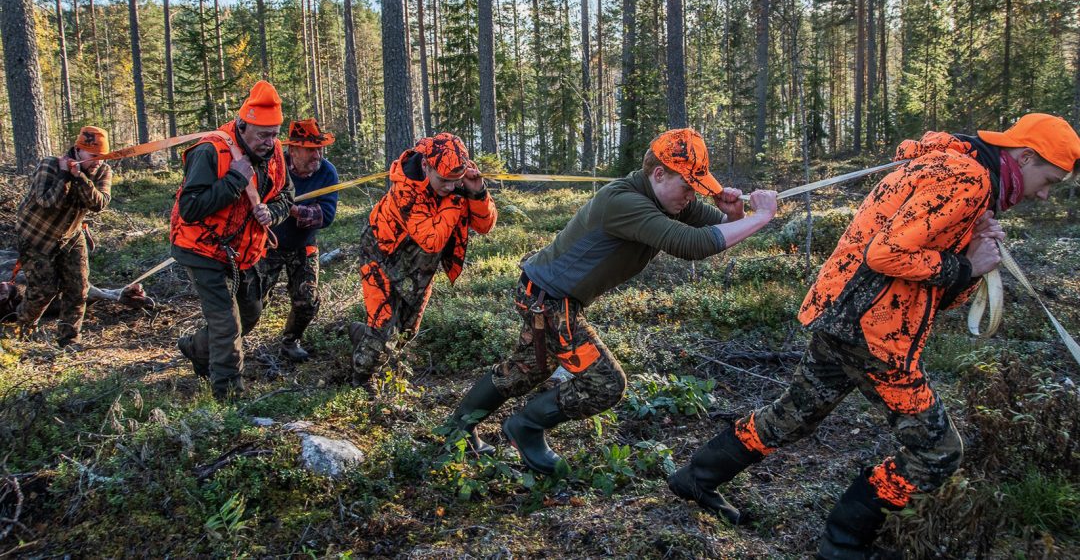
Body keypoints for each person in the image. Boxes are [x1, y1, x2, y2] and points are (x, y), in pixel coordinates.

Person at [667, 113, 1080, 559]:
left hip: (841, 315)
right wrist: (965, 266)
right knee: (938, 452)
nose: (1044, 194)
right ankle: (844, 543)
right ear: (1024, 156)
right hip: (873, 332)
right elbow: (886, 254)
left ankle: (696, 478)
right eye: (1049, 181)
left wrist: (971, 262)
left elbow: (932, 284)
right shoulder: (968, 178)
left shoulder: (957, 170)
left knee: (792, 416)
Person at [445, 128, 779, 474]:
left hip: (547, 295)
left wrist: (736, 214)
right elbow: (692, 245)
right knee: (605, 383)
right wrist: (761, 217)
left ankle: (458, 428)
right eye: (687, 186)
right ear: (659, 174)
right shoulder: (624, 202)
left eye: (697, 188)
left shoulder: (671, 199)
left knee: (527, 368)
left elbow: (719, 229)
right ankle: (525, 427)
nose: (692, 196)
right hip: (548, 300)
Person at [172, 80, 295, 399]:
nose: (270, 142)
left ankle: (197, 349)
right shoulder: (210, 150)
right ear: (242, 125)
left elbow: (286, 194)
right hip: (202, 248)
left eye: (275, 134)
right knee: (226, 322)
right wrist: (235, 179)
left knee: (250, 313)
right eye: (263, 135)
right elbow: (190, 208)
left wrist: (273, 213)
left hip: (243, 250)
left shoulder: (274, 151)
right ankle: (229, 395)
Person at [350, 133, 498, 388]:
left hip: (420, 263)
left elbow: (485, 226)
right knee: (383, 328)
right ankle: (361, 381)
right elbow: (432, 240)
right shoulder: (406, 189)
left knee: (407, 331)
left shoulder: (457, 177)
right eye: (444, 180)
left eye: (455, 180)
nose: (450, 186)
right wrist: (456, 198)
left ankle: (362, 335)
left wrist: (477, 192)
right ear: (425, 165)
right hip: (381, 255)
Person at [10, 126, 112, 347]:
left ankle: (69, 339)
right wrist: (65, 175)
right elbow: (47, 202)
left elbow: (99, 203)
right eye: (93, 156)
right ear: (78, 150)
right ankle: (21, 331)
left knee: (78, 289)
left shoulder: (103, 171)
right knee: (43, 291)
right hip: (36, 235)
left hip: (71, 235)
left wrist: (80, 178)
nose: (98, 161)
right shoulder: (49, 164)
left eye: (102, 156)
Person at [256, 118, 339, 362]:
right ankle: (229, 343)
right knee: (253, 299)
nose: (317, 155)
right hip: (268, 243)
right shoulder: (272, 167)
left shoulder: (327, 172)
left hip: (304, 244)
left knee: (307, 300)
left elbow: (325, 216)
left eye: (319, 149)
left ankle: (290, 342)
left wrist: (290, 208)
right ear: (293, 150)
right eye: (311, 150)